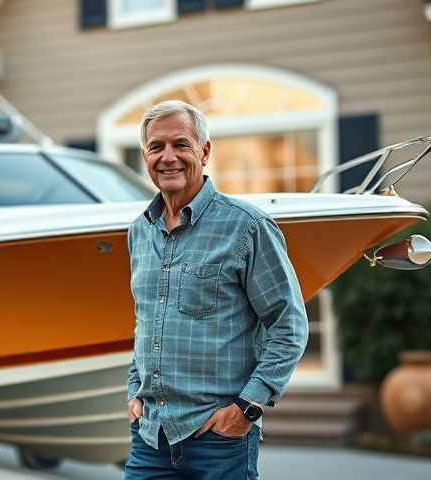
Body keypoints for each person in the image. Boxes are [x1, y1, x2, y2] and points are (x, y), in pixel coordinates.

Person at [125, 100, 309, 480]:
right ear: (145, 157)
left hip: (219, 441)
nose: (168, 157)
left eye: (181, 144)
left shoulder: (247, 227)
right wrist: (134, 390)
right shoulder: (138, 232)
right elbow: (147, 321)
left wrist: (249, 407)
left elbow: (288, 325)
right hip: (151, 437)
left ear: (204, 152)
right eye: (156, 147)